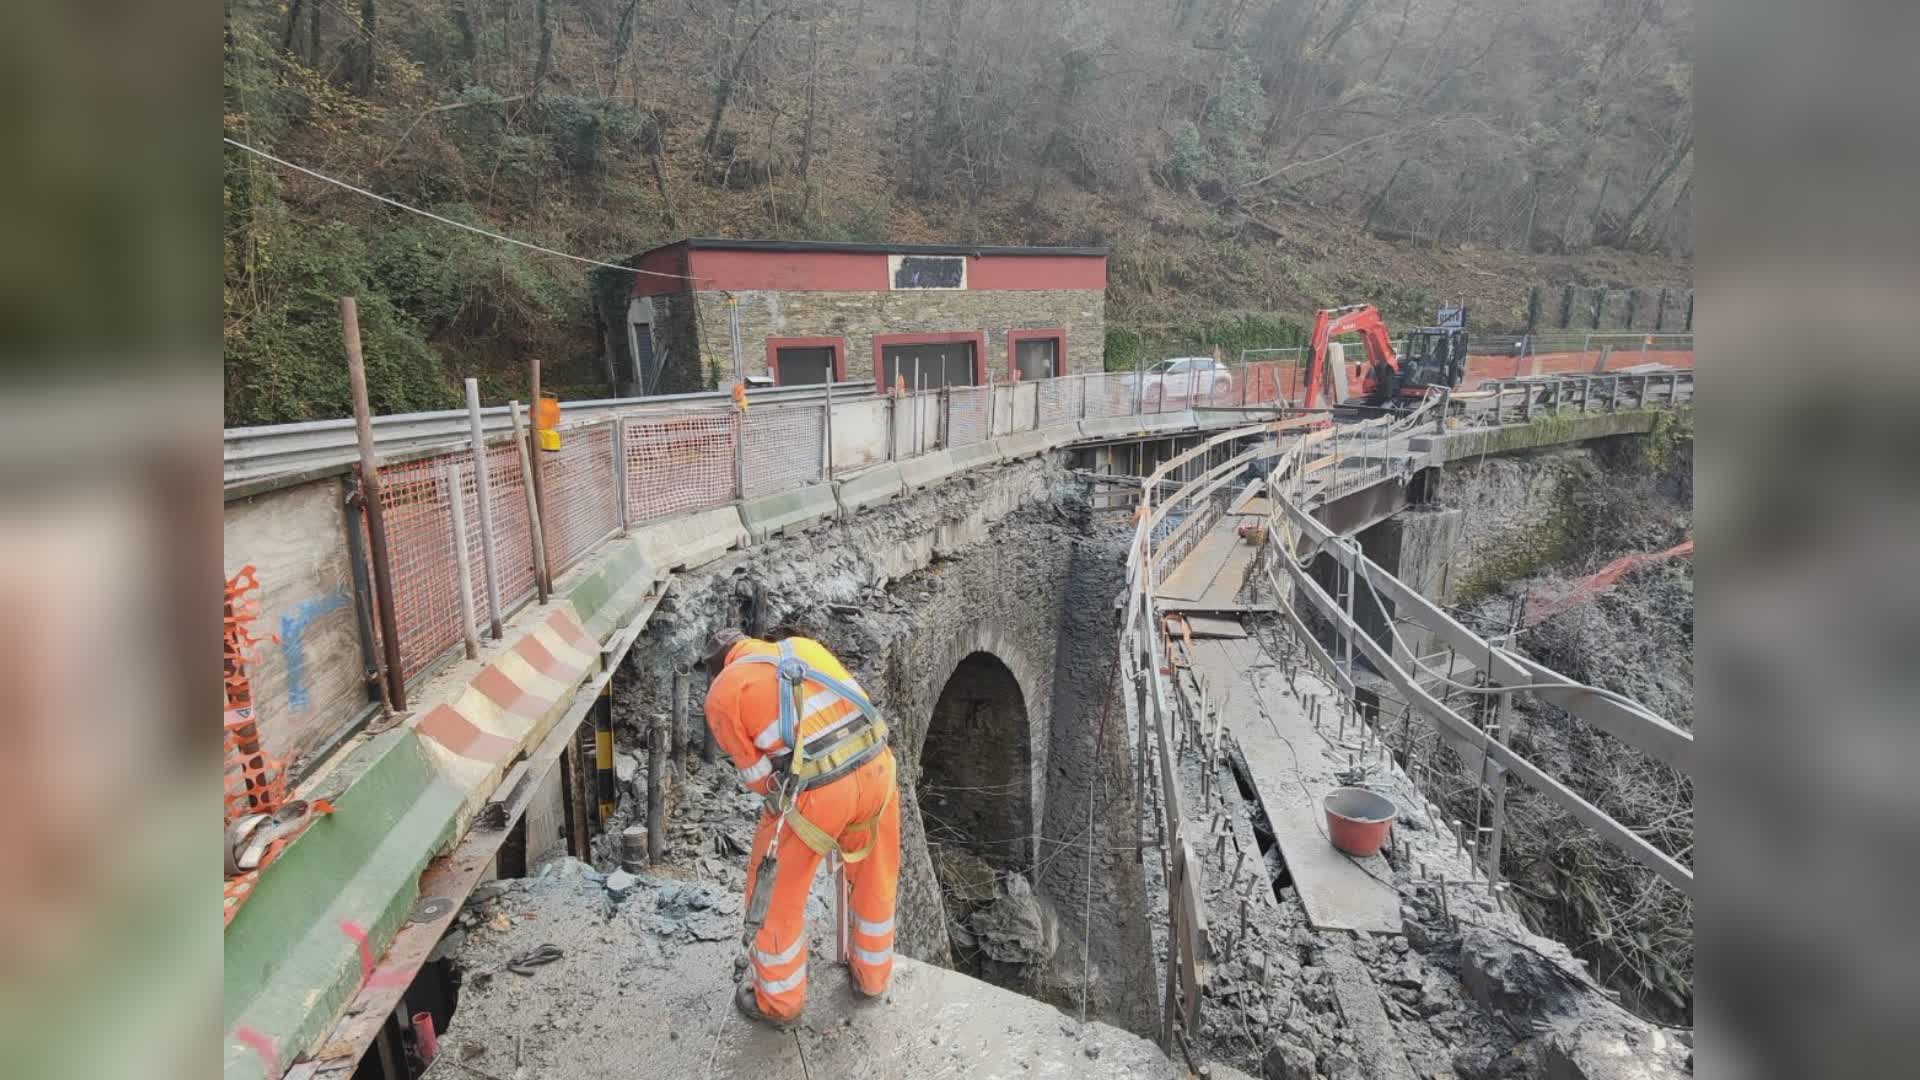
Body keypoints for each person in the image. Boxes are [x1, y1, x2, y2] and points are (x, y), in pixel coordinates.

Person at [699, 628, 901, 1027]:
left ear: (717, 667)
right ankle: (872, 980)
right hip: (879, 769)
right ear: (749, 643)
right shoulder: (803, 648)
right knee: (875, 878)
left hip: (819, 792)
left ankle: (779, 1003)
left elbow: (759, 779)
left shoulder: (723, 693)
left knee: (775, 894)